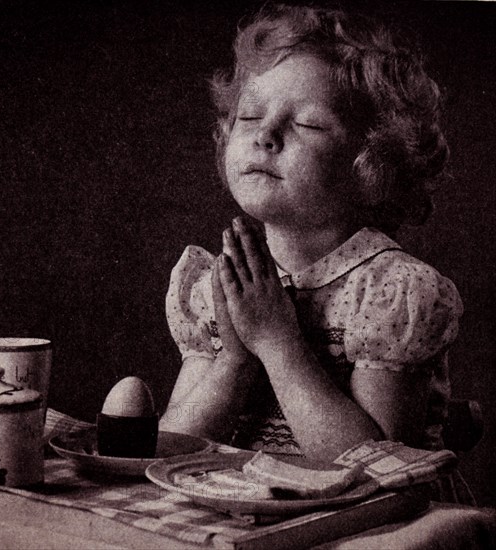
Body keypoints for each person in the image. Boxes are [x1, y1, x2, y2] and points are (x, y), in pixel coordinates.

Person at [160, 3, 469, 501]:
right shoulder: (221, 279)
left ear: (372, 163)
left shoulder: (391, 291)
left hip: (366, 522)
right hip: (253, 509)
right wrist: (235, 361)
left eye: (308, 124)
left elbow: (373, 472)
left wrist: (278, 346)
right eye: (251, 115)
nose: (265, 135)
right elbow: (174, 445)